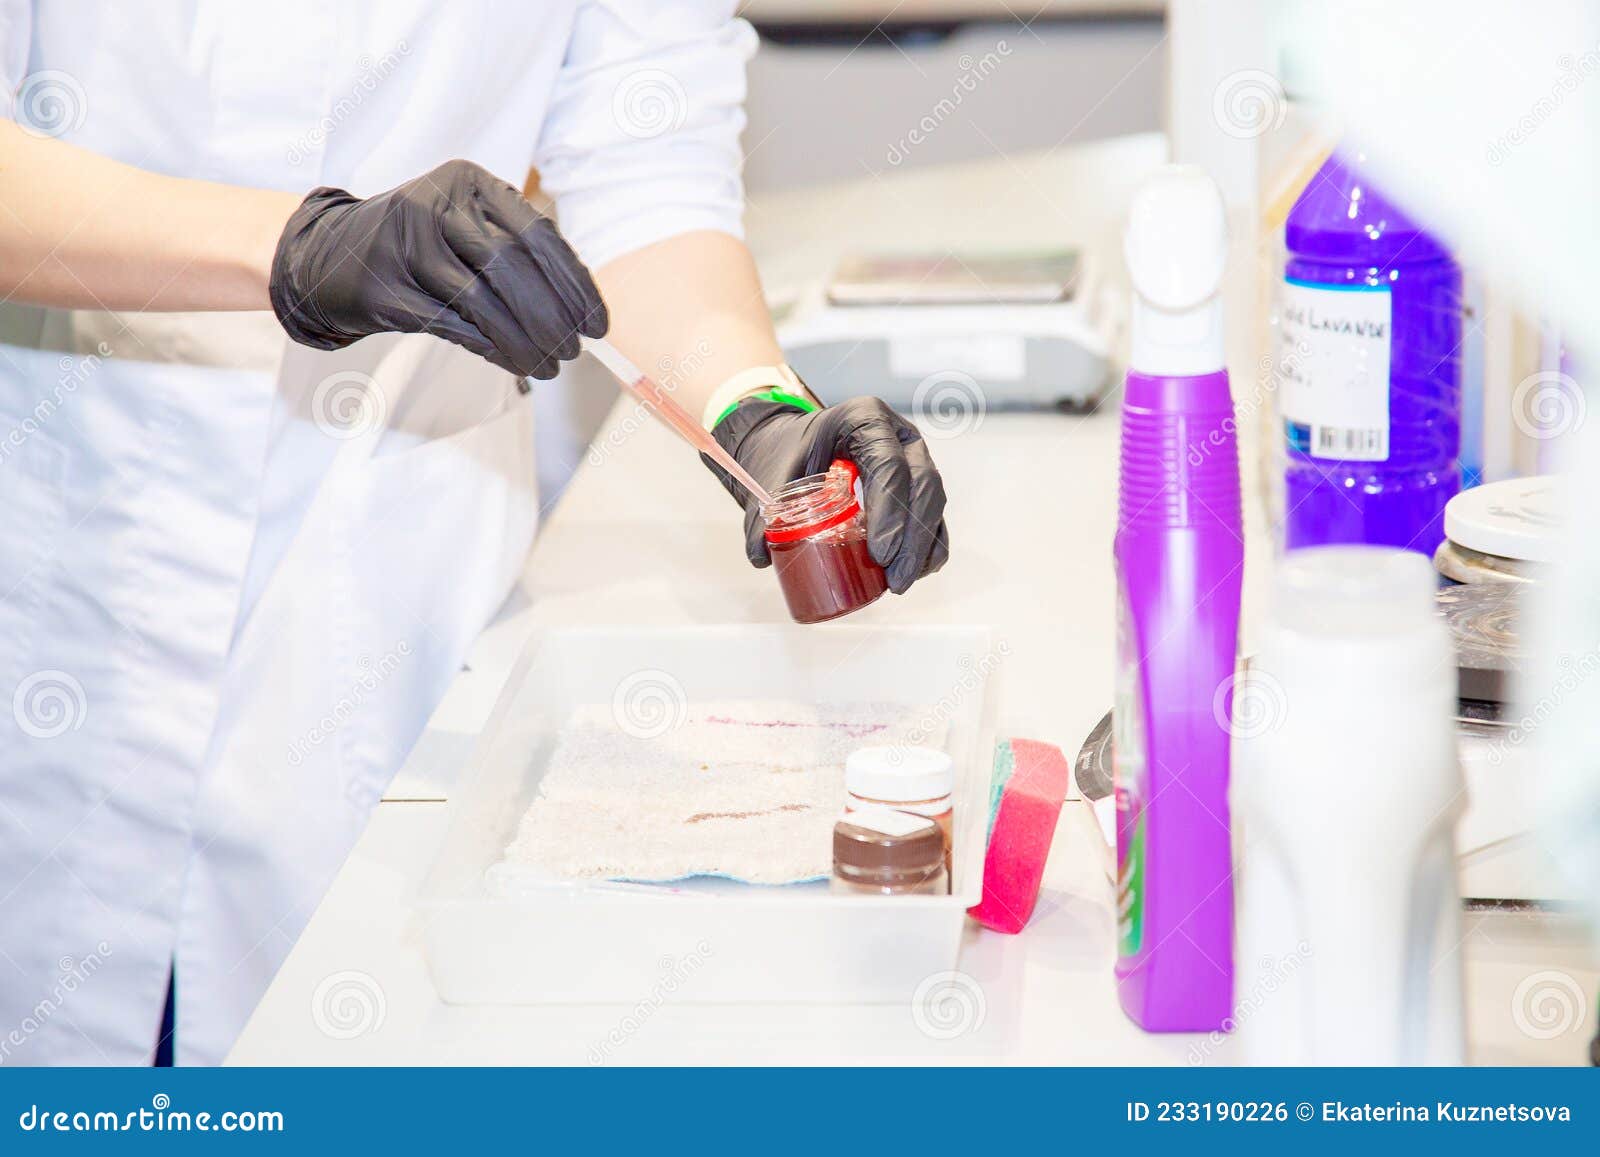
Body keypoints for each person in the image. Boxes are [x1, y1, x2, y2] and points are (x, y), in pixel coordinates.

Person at [0, 1, 948, 1065]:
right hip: (65, 570)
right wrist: (299, 246)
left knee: (351, 1035)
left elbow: (646, 174)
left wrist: (753, 414)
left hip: (380, 600)